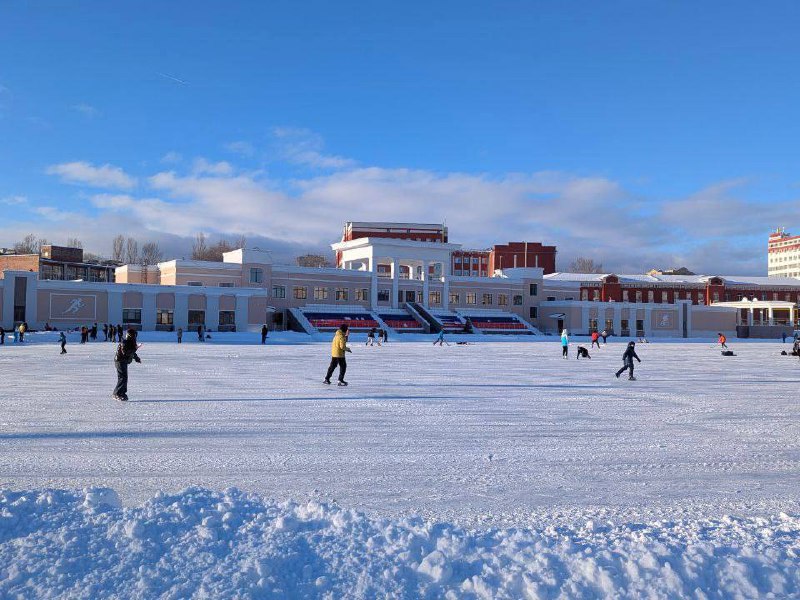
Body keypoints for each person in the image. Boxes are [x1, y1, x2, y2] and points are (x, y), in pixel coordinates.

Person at [113, 328, 141, 401]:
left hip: (124, 361)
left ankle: (122, 393)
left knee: (124, 378)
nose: (135, 336)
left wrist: (137, 358)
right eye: (134, 335)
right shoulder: (124, 342)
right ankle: (117, 393)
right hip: (120, 361)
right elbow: (125, 353)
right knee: (122, 378)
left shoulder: (130, 342)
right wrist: (135, 348)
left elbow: (132, 352)